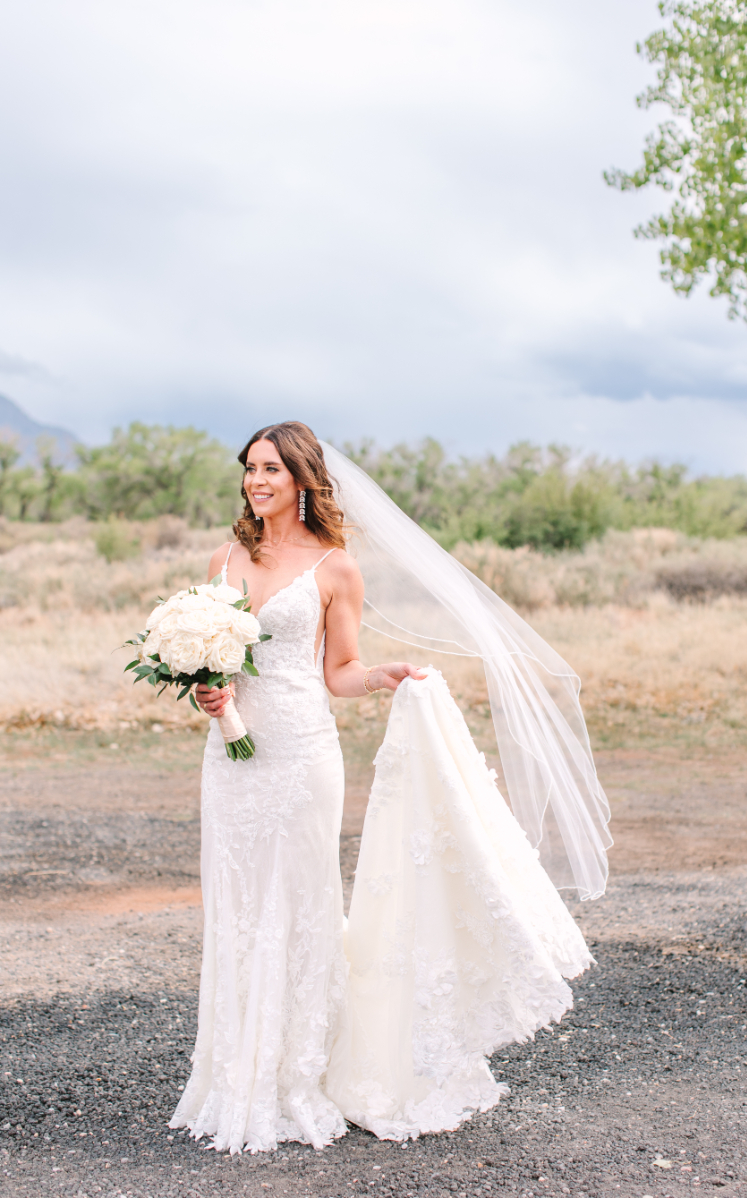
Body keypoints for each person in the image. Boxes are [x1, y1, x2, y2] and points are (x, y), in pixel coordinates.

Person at [169, 421, 608, 1154]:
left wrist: (384, 677)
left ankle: (302, 1075)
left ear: (303, 479)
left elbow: (338, 671)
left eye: (272, 469)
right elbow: (208, 664)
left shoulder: (335, 569)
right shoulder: (223, 560)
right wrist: (207, 696)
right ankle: (235, 1077)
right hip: (231, 760)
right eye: (250, 469)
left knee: (300, 905)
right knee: (238, 906)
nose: (257, 481)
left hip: (301, 757)